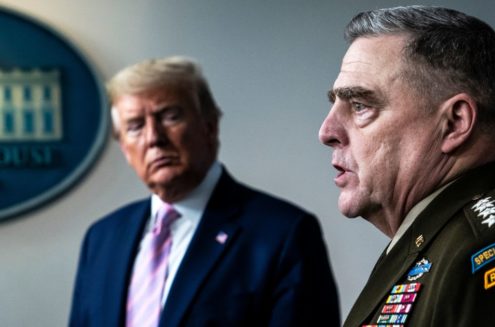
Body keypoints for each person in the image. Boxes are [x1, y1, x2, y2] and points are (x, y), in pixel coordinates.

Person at [319, 6, 495, 326]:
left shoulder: (488, 256)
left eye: (361, 105)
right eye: (334, 103)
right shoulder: (436, 242)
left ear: (455, 123)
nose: (326, 132)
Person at [69, 56, 340, 326]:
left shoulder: (283, 234)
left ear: (209, 126)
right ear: (125, 149)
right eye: (135, 126)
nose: (154, 138)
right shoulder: (102, 238)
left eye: (170, 116)